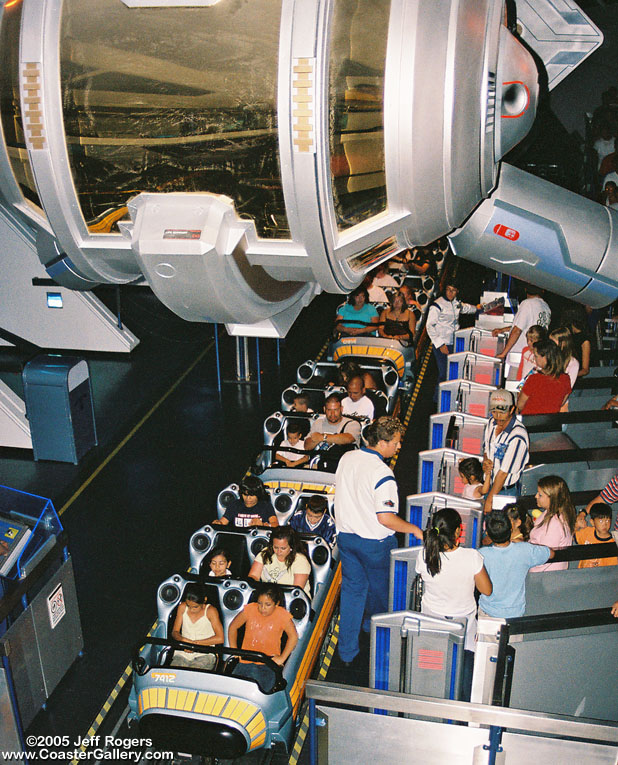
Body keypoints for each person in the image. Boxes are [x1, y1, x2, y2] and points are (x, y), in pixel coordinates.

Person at [334, 416, 423, 664]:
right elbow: (386, 518)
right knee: (384, 594)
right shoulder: (382, 472)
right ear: (382, 442)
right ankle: (385, 649)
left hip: (346, 539)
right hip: (374, 545)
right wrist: (414, 529)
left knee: (353, 592)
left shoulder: (347, 458)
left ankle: (347, 651)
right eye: (396, 442)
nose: (399, 446)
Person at [415, 508, 492, 697]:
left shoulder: (424, 555)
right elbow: (487, 590)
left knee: (431, 676)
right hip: (463, 626)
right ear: (458, 532)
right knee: (463, 678)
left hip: (431, 623)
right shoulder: (472, 557)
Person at [478, 511, 553, 619]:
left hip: (487, 612)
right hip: (515, 614)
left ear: (488, 534)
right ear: (510, 529)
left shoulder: (481, 555)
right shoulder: (524, 550)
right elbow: (550, 553)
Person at [228, 583, 298, 693]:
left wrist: (282, 658)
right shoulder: (250, 609)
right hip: (245, 661)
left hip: (268, 664)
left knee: (258, 692)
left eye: (268, 604)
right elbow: (233, 627)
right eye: (260, 603)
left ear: (276, 603)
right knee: (235, 690)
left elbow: (293, 636)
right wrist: (234, 650)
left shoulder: (282, 615)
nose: (262, 608)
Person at [426, 280, 481, 391]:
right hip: (442, 343)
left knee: (453, 371)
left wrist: (477, 308)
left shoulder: (456, 303)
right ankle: (439, 400)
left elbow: (465, 308)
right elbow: (429, 326)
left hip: (454, 342)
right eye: (448, 290)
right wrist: (440, 344)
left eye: (453, 290)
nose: (450, 293)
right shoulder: (437, 305)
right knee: (444, 373)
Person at [482, 389, 529, 513]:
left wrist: (490, 500)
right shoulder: (491, 423)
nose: (498, 416)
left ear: (512, 409)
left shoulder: (517, 436)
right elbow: (486, 449)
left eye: (502, 412)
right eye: (494, 412)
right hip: (490, 486)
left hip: (505, 491)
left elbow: (503, 474)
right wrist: (486, 461)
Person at [170, 584, 224, 669]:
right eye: (188, 606)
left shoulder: (211, 611)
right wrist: (183, 641)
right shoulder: (182, 607)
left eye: (195, 607)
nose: (191, 609)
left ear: (204, 600)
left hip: (205, 654)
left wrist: (194, 645)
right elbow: (175, 632)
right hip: (183, 653)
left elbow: (220, 638)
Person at [529, 475, 576, 571]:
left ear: (552, 498)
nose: (536, 496)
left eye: (540, 495)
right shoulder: (552, 512)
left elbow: (544, 557)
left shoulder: (554, 525)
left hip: (545, 576)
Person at [249, 526, 311, 595]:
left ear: (291, 546)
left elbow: (296, 591)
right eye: (275, 547)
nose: (278, 552)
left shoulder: (300, 561)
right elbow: (253, 576)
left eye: (283, 548)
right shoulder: (265, 553)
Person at [493, 285, 551, 359]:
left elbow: (517, 330)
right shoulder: (546, 307)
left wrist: (503, 354)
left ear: (525, 289)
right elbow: (525, 325)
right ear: (542, 290)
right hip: (535, 356)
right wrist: (502, 330)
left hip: (519, 356)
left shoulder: (527, 304)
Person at [516, 339, 571, 415]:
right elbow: (561, 402)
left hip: (530, 422)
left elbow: (520, 405)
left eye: (536, 356)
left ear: (545, 357)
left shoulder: (534, 379)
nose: (534, 359)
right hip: (551, 423)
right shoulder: (565, 379)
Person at [213, 475, 278, 528]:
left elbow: (276, 525)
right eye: (245, 495)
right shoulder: (235, 505)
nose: (248, 498)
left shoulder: (265, 506)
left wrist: (263, 525)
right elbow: (222, 523)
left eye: (252, 495)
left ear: (258, 494)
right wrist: (217, 523)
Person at [574, 503, 617, 568]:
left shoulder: (612, 544)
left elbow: (611, 571)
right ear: (592, 522)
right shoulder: (587, 532)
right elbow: (571, 536)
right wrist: (577, 525)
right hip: (582, 574)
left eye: (607, 520)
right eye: (600, 521)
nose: (605, 524)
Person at [560, 306, 591, 378]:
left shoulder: (584, 340)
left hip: (575, 379)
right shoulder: (567, 336)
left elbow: (585, 370)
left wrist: (569, 376)